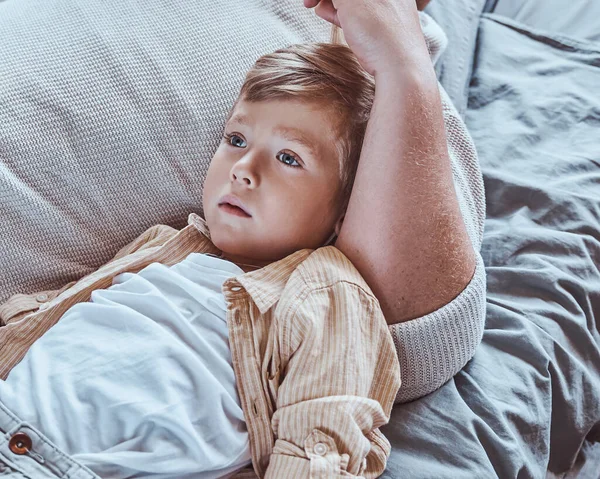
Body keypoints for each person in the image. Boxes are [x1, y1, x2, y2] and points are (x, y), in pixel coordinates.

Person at [0, 0, 487, 478]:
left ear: (346, 211)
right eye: (236, 140)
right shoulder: (167, 245)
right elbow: (48, 318)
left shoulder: (328, 294)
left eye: (290, 159)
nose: (244, 171)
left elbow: (323, 437)